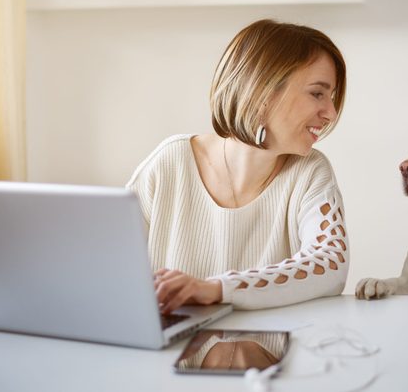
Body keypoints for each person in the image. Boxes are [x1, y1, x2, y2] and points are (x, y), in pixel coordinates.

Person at [126, 19, 348, 312]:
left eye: (331, 98)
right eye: (317, 93)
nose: (330, 113)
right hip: (164, 352)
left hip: (268, 353)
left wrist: (217, 289)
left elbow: (330, 265)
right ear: (263, 91)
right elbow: (108, 269)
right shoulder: (169, 164)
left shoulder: (310, 172)